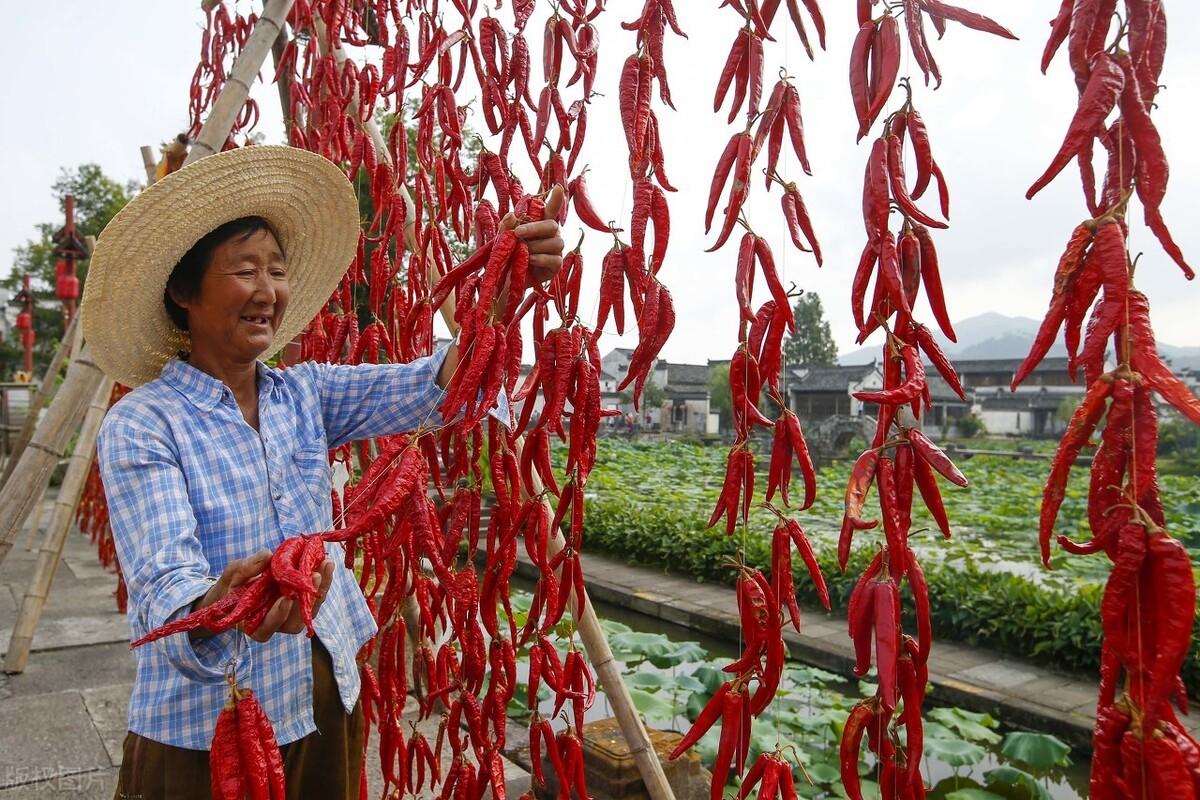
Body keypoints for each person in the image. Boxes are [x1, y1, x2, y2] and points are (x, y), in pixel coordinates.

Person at [80, 145, 565, 799]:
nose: (268, 291)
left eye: (277, 271)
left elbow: (434, 389)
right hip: (208, 728)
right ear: (183, 292)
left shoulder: (303, 394)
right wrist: (221, 602)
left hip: (323, 694)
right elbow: (164, 582)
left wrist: (498, 303)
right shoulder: (144, 424)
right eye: (245, 270)